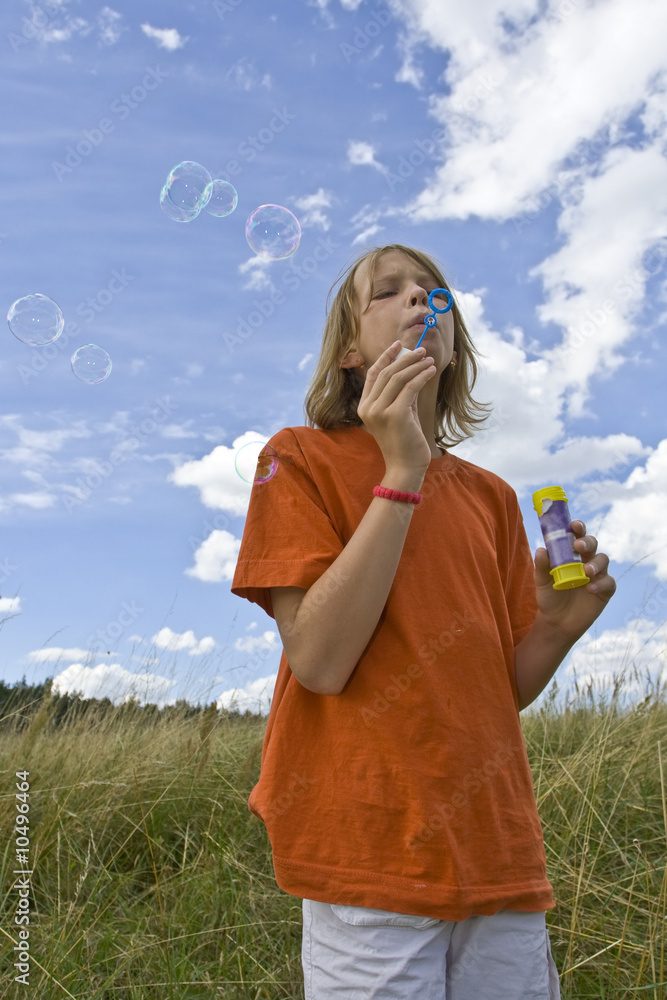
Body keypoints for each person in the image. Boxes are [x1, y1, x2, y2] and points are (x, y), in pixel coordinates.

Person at [231, 243, 616, 999]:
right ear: (349, 350)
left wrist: (555, 628)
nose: (420, 300)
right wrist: (400, 472)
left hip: (496, 850)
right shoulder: (298, 458)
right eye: (390, 292)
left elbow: (494, 689)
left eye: (433, 292)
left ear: (452, 344)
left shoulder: (490, 498)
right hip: (369, 844)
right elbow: (319, 661)